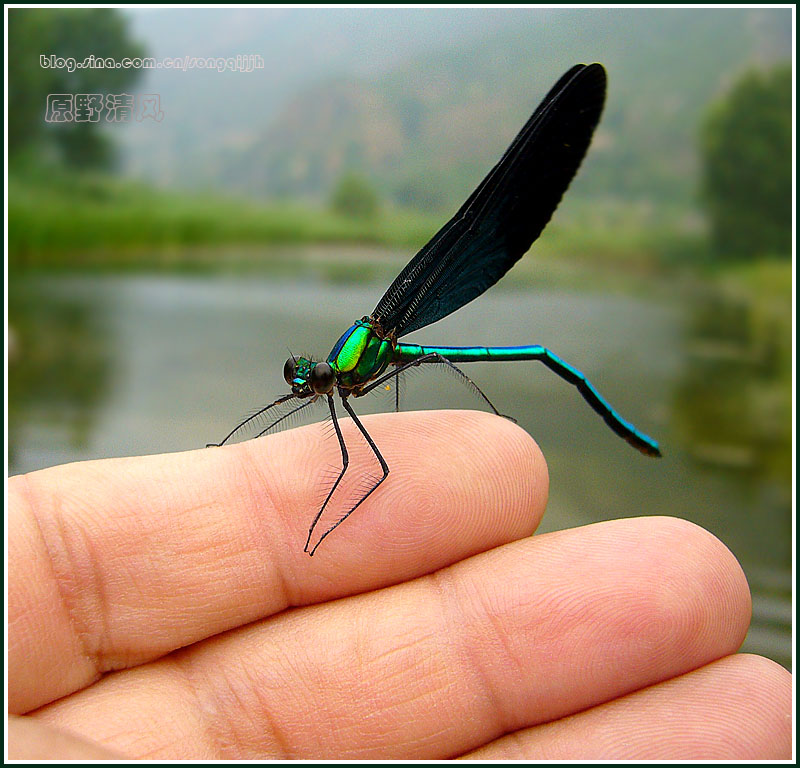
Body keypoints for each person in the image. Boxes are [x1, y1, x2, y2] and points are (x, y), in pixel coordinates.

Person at [7, 411, 791, 759]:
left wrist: (315, 532)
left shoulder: (364, 355)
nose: (311, 385)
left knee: (371, 459)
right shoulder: (334, 377)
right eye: (309, 381)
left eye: (314, 379)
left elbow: (367, 464)